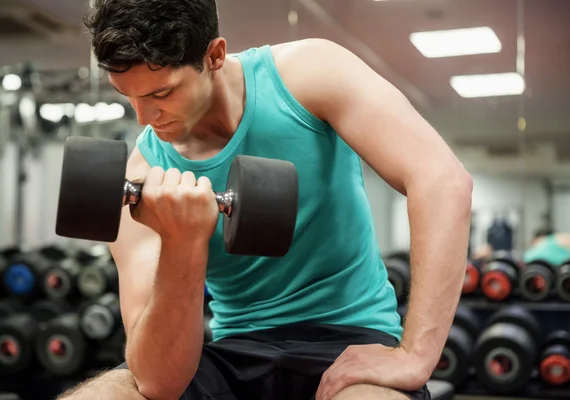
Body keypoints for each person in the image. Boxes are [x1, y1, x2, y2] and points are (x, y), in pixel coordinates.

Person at [59, 0, 473, 399]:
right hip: (235, 349)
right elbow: (157, 382)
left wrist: (415, 355)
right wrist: (182, 244)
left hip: (351, 338)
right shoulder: (142, 177)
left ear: (214, 56)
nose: (143, 118)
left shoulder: (308, 73)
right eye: (127, 96)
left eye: (162, 94)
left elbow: (442, 181)